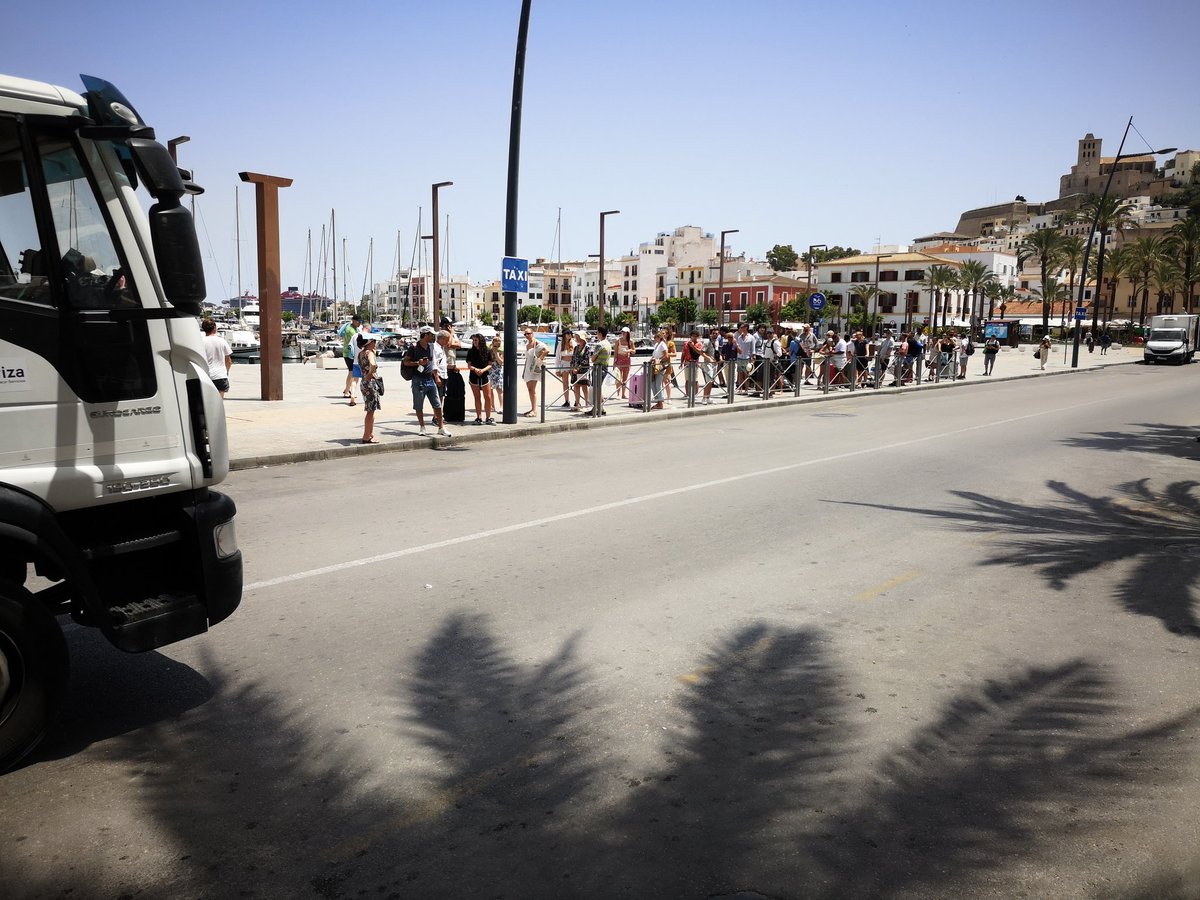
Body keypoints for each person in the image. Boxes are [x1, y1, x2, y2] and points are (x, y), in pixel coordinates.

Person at [402, 326, 449, 436]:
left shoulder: (431, 346)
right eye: (431, 335)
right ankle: (422, 427)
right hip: (418, 380)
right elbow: (406, 362)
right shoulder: (414, 347)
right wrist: (418, 363)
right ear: (426, 335)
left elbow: (433, 363)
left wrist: (436, 377)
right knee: (419, 405)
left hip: (430, 379)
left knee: (437, 404)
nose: (433, 337)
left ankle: (441, 427)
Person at [466, 333, 495, 425]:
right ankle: (479, 417)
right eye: (473, 340)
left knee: (488, 397)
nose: (474, 342)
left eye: (476, 340)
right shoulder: (471, 351)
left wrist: (482, 370)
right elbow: (469, 365)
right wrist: (475, 369)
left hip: (484, 375)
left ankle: (488, 417)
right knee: (477, 397)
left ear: (480, 341)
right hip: (474, 376)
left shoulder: (487, 351)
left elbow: (490, 365)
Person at [357, 334, 381, 443]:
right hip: (370, 383)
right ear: (369, 342)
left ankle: (370, 433)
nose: (375, 343)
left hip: (364, 383)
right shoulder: (369, 353)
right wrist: (370, 375)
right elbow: (373, 365)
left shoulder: (361, 353)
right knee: (370, 411)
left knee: (370, 409)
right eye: (374, 341)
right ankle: (366, 436)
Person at [200, 318, 232, 398]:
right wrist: (227, 371)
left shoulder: (200, 342)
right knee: (219, 402)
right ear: (214, 327)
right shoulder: (222, 341)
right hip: (220, 375)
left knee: (207, 401)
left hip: (206, 376)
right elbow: (228, 360)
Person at [521, 328, 548, 417]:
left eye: (528, 333)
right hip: (528, 368)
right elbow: (527, 358)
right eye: (525, 334)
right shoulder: (528, 344)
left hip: (534, 369)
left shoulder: (537, 343)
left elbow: (546, 350)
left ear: (532, 333)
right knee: (530, 389)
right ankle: (533, 408)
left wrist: (540, 359)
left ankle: (534, 410)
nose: (527, 335)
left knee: (532, 389)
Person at [589, 325, 612, 416]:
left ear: (600, 334)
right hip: (605, 368)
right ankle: (601, 408)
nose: (596, 334)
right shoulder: (608, 344)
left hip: (598, 368)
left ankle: (596, 408)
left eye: (597, 333)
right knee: (599, 388)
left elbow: (593, 359)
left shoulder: (600, 345)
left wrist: (593, 358)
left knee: (595, 389)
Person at [569, 330, 591, 410]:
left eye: (578, 337)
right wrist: (572, 368)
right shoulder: (576, 347)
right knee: (576, 386)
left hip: (583, 370)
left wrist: (578, 368)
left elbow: (586, 359)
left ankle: (587, 404)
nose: (576, 339)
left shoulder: (587, 348)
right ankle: (577, 404)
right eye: (576, 337)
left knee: (584, 387)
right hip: (575, 370)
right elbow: (573, 358)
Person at [553, 328, 574, 408]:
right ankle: (566, 401)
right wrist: (557, 369)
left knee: (575, 383)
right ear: (564, 335)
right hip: (564, 364)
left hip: (572, 364)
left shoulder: (574, 343)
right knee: (565, 383)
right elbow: (557, 357)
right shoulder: (560, 344)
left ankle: (577, 401)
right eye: (567, 334)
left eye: (570, 333)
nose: (569, 335)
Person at [649, 328, 669, 409]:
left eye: (656, 337)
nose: (654, 339)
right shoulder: (657, 345)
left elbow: (666, 355)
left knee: (658, 384)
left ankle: (660, 402)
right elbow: (654, 355)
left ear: (659, 337)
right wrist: (652, 359)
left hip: (660, 366)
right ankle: (658, 401)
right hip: (655, 365)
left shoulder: (662, 344)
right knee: (653, 383)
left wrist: (658, 360)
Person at [614, 327, 634, 399]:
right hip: (619, 359)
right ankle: (618, 394)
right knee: (618, 378)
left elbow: (634, 350)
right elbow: (615, 352)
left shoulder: (630, 341)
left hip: (627, 359)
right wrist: (614, 362)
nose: (623, 333)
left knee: (625, 378)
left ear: (628, 333)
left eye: (625, 332)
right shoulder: (618, 341)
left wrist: (629, 350)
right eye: (622, 332)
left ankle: (624, 394)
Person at [488, 334, 504, 408]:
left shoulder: (500, 351)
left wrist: (496, 353)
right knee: (490, 389)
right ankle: (492, 406)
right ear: (492, 344)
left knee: (499, 388)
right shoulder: (489, 350)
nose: (496, 347)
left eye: (498, 346)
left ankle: (501, 406)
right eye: (495, 346)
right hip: (490, 371)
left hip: (498, 370)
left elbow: (501, 362)